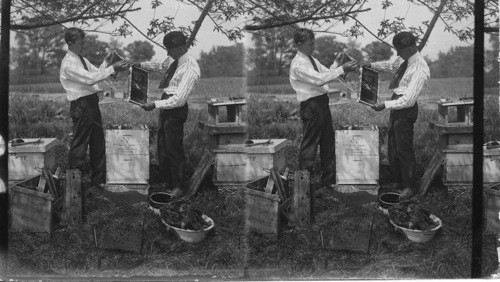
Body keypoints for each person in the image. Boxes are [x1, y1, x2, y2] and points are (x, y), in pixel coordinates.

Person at [60, 27, 129, 189]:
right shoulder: (69, 64)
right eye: (80, 41)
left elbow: (97, 72)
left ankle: (98, 183)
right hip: (81, 106)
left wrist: (106, 62)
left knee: (98, 142)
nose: (83, 43)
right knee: (80, 145)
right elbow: (90, 79)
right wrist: (114, 68)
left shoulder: (80, 59)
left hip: (91, 104)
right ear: (71, 43)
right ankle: (73, 187)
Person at [289, 28, 357, 188]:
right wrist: (343, 69)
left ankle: (329, 183)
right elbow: (320, 80)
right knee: (310, 145)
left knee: (328, 143)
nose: (313, 46)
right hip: (311, 106)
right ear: (299, 44)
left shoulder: (311, 59)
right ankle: (304, 186)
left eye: (313, 42)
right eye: (310, 43)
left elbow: (327, 72)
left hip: (322, 103)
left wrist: (338, 63)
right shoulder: (298, 64)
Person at [136, 31, 200, 199]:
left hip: (175, 108)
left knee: (174, 148)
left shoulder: (190, 67)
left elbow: (178, 100)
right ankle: (166, 181)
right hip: (166, 104)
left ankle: (178, 186)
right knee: (162, 145)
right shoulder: (174, 58)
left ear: (181, 48)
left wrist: (155, 104)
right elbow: (161, 66)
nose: (167, 53)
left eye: (170, 50)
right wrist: (139, 65)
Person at [366, 31, 430, 198]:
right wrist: (370, 65)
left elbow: (408, 100)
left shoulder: (420, 68)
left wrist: (385, 105)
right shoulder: (404, 58)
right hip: (396, 105)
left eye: (399, 50)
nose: (397, 54)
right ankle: (397, 181)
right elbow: (390, 66)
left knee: (404, 148)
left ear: (409, 48)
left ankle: (409, 186)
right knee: (393, 146)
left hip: (406, 108)